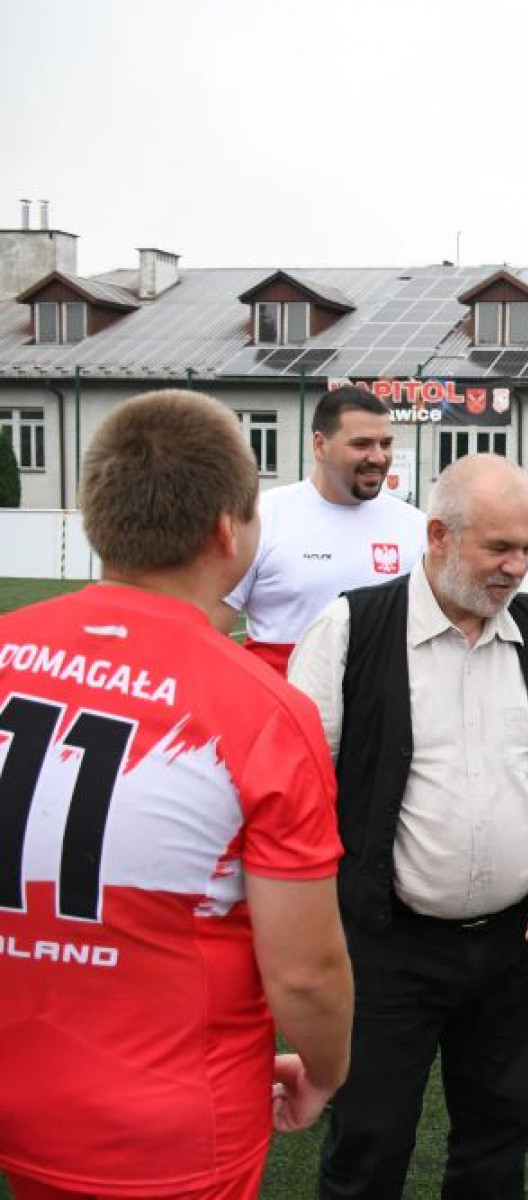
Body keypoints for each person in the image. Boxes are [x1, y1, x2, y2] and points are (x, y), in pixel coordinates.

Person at [0, 389, 353, 1199]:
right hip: (167, 1124)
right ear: (229, 530)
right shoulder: (261, 711)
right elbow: (304, 971)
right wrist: (327, 1069)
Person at [288, 452, 528, 1198]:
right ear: (438, 535)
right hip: (385, 950)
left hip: (514, 950)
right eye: (500, 547)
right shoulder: (352, 629)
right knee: (369, 1144)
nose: (517, 567)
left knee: (501, 1138)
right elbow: (291, 791)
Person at [213, 384, 426, 673]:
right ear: (319, 445)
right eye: (361, 444)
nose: (378, 457)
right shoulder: (261, 517)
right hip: (283, 700)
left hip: (380, 700)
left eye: (385, 444)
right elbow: (209, 634)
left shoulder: (415, 526)